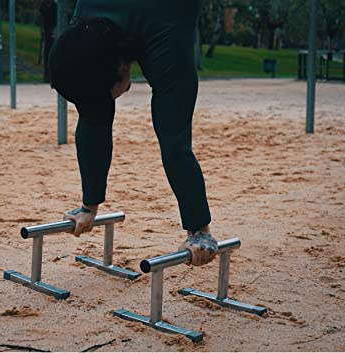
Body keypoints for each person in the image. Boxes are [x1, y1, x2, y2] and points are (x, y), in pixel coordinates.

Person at [48, 0, 218, 266]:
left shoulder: (168, 37)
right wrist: (88, 206)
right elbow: (93, 119)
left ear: (121, 68)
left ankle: (198, 227)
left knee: (171, 130)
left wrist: (199, 230)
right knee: (94, 105)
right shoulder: (85, 29)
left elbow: (175, 141)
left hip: (165, 14)